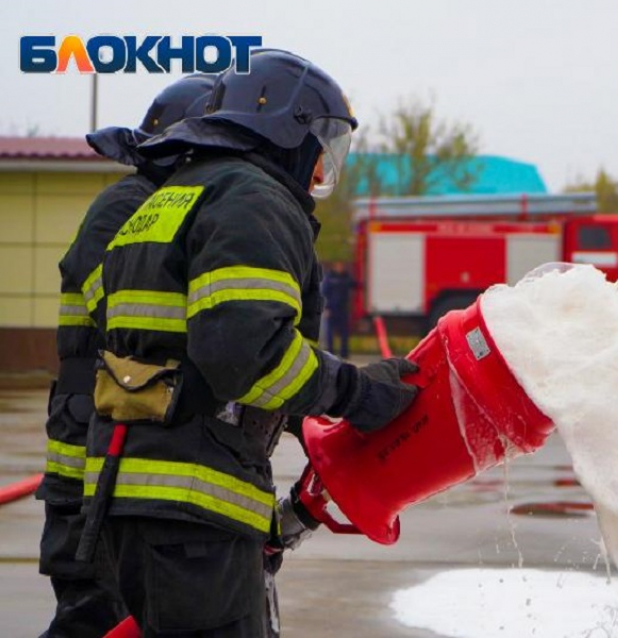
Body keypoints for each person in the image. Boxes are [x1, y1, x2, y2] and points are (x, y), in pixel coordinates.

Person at [84, 48, 419, 636]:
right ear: (288, 129)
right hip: (194, 506)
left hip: (134, 494)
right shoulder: (251, 198)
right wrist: (358, 393)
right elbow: (246, 354)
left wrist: (306, 416)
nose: (319, 173)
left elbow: (179, 345)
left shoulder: (171, 197)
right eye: (322, 151)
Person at [34, 74, 216, 638]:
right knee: (93, 618)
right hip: (90, 464)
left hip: (118, 457)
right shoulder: (128, 206)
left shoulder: (163, 207)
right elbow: (125, 317)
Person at [321, 261, 357, 359]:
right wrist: (326, 308)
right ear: (335, 267)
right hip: (332, 309)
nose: (340, 268)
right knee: (330, 333)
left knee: (344, 332)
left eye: (342, 266)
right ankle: (330, 352)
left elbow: (355, 285)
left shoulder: (346, 277)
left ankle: (344, 353)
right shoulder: (330, 278)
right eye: (339, 266)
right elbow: (325, 293)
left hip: (343, 308)